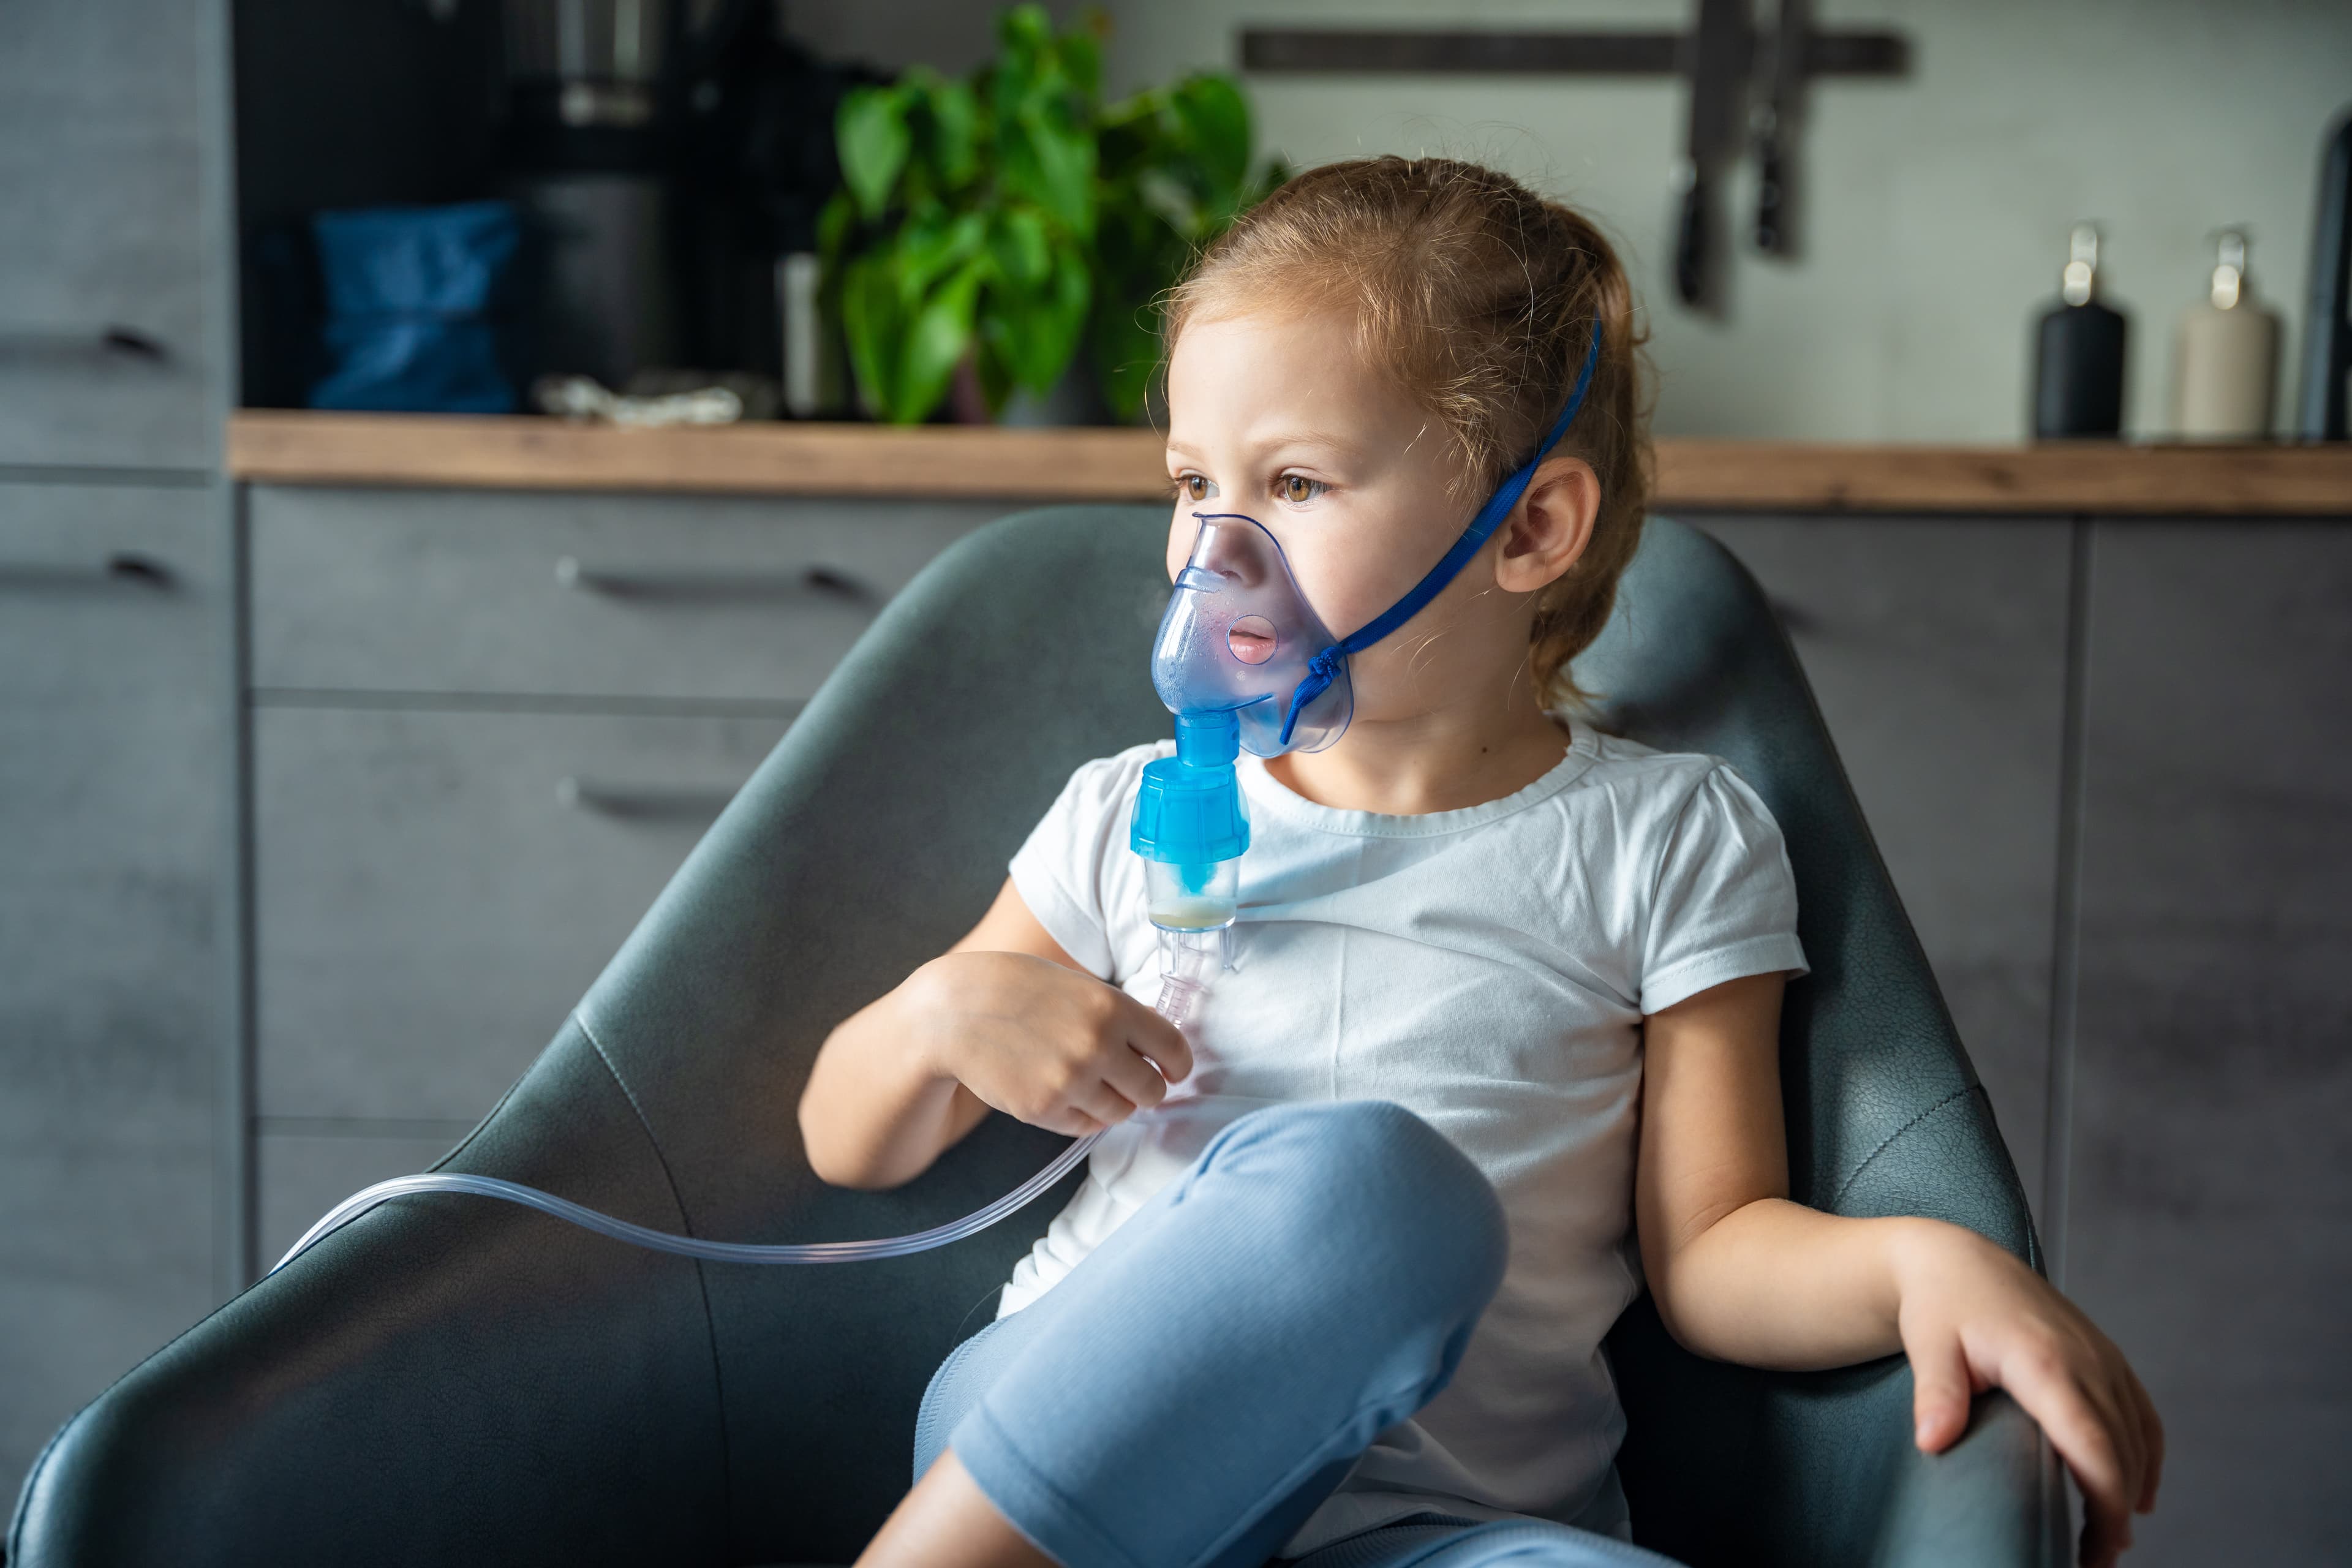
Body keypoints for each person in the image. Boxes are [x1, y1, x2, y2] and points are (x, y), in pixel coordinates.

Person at [797, 156, 2162, 1568]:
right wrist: (941, 1015)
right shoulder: (1125, 812)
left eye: (1298, 482)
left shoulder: (1667, 839)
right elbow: (848, 1138)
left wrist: (1925, 1259)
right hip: (1066, 1479)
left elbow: (1714, 1250)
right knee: (1373, 1190)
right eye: (1194, 482)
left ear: (1531, 528)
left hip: (1438, 1531)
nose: (1215, 549)